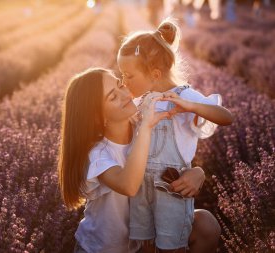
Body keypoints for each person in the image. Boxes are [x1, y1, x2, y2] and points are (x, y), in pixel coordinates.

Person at [57, 67, 222, 253]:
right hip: (104, 249)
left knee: (206, 225)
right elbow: (129, 185)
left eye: (120, 85)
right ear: (97, 119)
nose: (125, 94)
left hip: (144, 242)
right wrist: (146, 127)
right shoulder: (97, 154)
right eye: (113, 97)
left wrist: (196, 173)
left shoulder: (142, 125)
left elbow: (169, 165)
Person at [117, 19, 233, 252]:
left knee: (173, 244)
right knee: (146, 243)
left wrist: (192, 107)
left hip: (171, 187)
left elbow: (225, 117)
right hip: (141, 190)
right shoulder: (141, 100)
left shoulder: (185, 96)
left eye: (128, 76)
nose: (123, 81)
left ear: (155, 73)